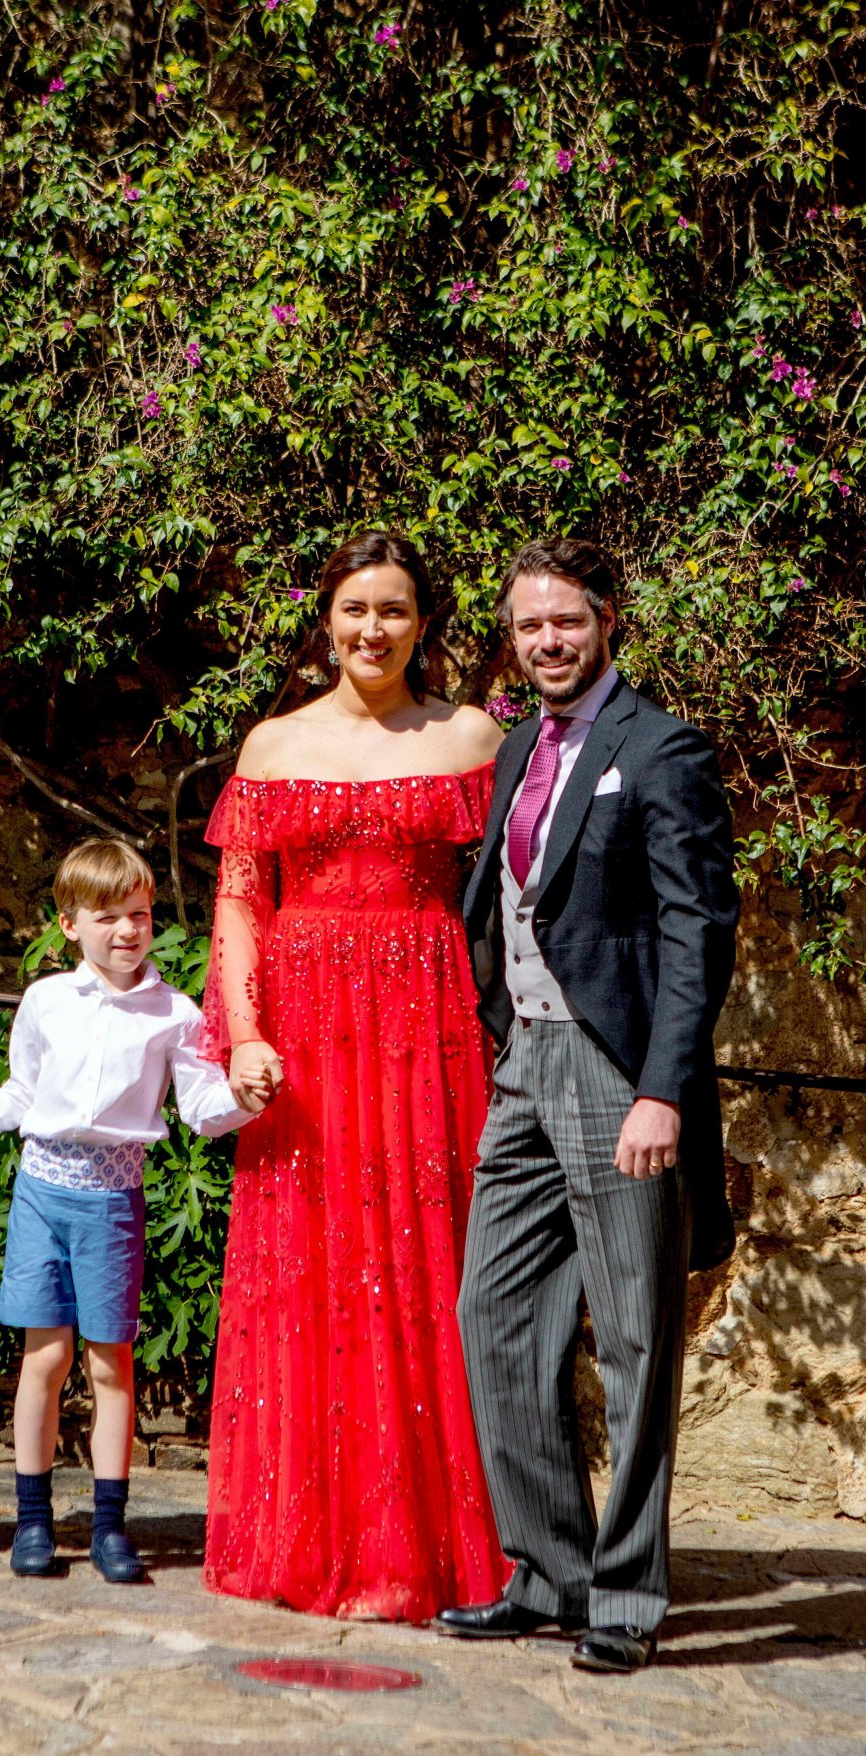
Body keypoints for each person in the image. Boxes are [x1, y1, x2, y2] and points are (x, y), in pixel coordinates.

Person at [437, 538, 739, 1673]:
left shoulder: (659, 748)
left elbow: (693, 929)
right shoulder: (521, 744)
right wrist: (506, 1033)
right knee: (495, 1315)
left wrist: (664, 1088)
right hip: (526, 1064)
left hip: (620, 1074)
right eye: (529, 627)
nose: (548, 641)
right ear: (511, 638)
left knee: (634, 1335)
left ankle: (624, 1595)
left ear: (607, 619)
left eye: (566, 621)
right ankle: (545, 1571)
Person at [199, 529, 511, 1622]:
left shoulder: (472, 735)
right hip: (306, 1029)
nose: (370, 628)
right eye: (353, 608)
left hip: (428, 1025)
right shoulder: (273, 745)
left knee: (436, 1266)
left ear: (424, 624)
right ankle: (308, 1539)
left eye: (392, 609)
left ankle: (425, 1549)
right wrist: (241, 1032)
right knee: (311, 1267)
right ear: (324, 619)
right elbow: (239, 900)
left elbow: (527, 890)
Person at [0, 838, 262, 1582]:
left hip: (113, 1204)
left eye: (140, 914)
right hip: (41, 1193)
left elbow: (199, 1108)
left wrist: (243, 1099)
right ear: (70, 924)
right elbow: (21, 1096)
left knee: (109, 1365)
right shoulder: (45, 1002)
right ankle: (34, 1521)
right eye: (108, 916)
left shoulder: (174, 1013)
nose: (128, 930)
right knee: (45, 1356)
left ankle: (107, 1527)